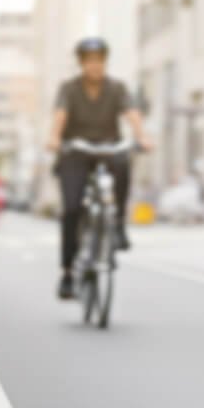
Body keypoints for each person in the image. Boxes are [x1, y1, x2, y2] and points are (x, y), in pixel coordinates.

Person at [45, 37, 151, 300]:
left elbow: (132, 113)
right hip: (76, 151)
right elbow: (60, 115)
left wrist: (141, 136)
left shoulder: (116, 87)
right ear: (81, 63)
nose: (95, 65)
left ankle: (117, 224)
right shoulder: (69, 88)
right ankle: (68, 273)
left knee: (124, 162)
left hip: (107, 148)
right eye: (89, 60)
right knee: (71, 208)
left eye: (99, 60)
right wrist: (54, 138)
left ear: (105, 62)